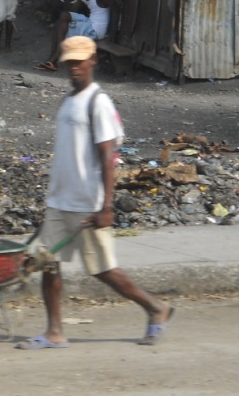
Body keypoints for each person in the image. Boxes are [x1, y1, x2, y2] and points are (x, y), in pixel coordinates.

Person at [17, 36, 173, 350]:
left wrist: (106, 206)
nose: (74, 68)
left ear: (92, 61)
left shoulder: (97, 102)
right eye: (69, 62)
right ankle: (55, 332)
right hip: (59, 201)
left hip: (87, 204)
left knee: (103, 270)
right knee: (48, 264)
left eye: (79, 61)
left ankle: (156, 308)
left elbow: (107, 159)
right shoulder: (67, 100)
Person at [36, 0, 114, 71]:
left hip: (96, 29)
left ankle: (54, 58)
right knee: (61, 20)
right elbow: (70, 11)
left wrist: (113, 33)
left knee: (60, 25)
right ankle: (52, 60)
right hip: (90, 23)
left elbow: (115, 8)